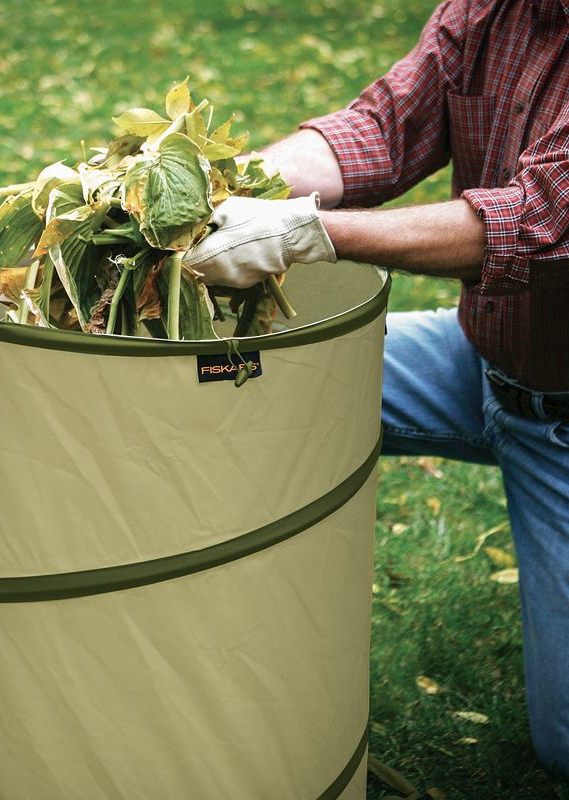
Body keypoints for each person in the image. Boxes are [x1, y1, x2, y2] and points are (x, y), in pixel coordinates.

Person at [185, 0, 569, 780]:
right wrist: (219, 187)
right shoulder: (496, 8)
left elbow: (536, 222)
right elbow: (381, 128)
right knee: (231, 376)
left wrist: (310, 233)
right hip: (480, 359)